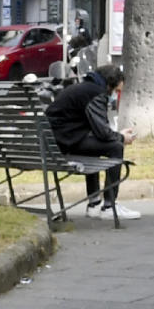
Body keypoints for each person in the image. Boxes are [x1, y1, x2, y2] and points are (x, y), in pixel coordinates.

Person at [42, 60, 128, 210]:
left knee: (93, 145)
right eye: (117, 91)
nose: (116, 95)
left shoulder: (80, 88)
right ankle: (109, 205)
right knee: (115, 147)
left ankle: (94, 202)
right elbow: (103, 132)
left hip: (53, 143)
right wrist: (122, 137)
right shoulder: (96, 94)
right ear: (109, 85)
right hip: (62, 145)